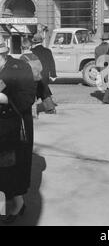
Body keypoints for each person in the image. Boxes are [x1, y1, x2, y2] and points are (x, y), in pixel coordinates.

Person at [0, 37, 36, 223]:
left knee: (12, 168)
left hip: (14, 126)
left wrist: (5, 99)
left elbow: (28, 97)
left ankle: (17, 204)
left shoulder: (20, 67)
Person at [31, 32, 57, 114]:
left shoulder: (32, 51)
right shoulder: (48, 51)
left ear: (33, 42)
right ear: (41, 41)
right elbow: (51, 63)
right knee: (44, 89)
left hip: (34, 75)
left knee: (35, 91)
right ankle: (50, 108)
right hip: (45, 75)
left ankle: (33, 111)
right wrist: (53, 75)